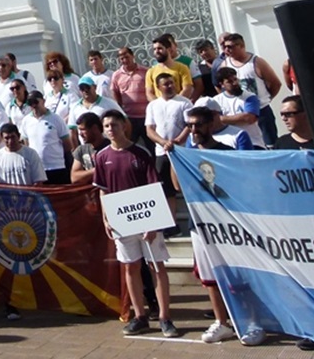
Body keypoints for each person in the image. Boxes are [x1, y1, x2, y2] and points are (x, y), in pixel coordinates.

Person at [169, 105, 258, 345]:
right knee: (210, 276)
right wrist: (173, 157)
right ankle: (222, 322)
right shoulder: (186, 154)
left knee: (239, 275)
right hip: (199, 224)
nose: (194, 130)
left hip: (226, 224)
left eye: (198, 124)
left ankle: (252, 322)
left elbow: (239, 185)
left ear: (211, 124)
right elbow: (177, 186)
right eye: (190, 125)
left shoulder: (226, 152)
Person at [93, 111, 176, 338]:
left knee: (156, 266)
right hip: (122, 221)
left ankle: (165, 318)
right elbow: (103, 190)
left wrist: (153, 223)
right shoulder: (101, 157)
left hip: (147, 219)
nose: (111, 129)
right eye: (107, 126)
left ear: (124, 125)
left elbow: (154, 188)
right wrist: (106, 218)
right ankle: (140, 316)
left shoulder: (141, 153)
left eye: (114, 125)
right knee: (130, 267)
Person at [214, 33, 282, 147]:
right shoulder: (225, 64)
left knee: (270, 144)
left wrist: (266, 99)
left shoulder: (256, 62)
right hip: (238, 114)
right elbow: (220, 84)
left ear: (241, 46)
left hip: (261, 111)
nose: (226, 50)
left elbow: (275, 83)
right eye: (224, 47)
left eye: (230, 47)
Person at [144, 72, 191, 229]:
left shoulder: (184, 103)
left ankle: (194, 220)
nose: (170, 86)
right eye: (166, 84)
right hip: (161, 153)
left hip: (181, 152)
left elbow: (190, 126)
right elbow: (149, 130)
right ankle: (171, 224)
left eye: (172, 83)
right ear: (158, 87)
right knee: (165, 190)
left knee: (184, 187)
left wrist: (177, 141)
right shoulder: (153, 105)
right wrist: (164, 142)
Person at [22, 91, 70, 184]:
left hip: (56, 167)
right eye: (30, 103)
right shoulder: (26, 121)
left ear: (43, 101)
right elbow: (26, 144)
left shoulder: (56, 119)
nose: (33, 105)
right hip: (37, 168)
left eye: (35, 102)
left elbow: (67, 144)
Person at [211, 67, 264, 148]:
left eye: (235, 79)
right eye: (229, 81)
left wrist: (221, 119)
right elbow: (213, 124)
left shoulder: (249, 97)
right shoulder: (216, 101)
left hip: (253, 142)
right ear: (222, 84)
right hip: (228, 143)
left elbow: (249, 118)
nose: (235, 83)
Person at [70, 112, 108, 184]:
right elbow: (74, 178)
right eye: (79, 130)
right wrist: (96, 170)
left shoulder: (110, 147)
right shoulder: (81, 150)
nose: (80, 134)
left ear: (95, 128)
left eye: (83, 129)